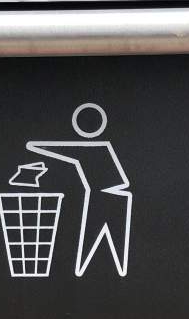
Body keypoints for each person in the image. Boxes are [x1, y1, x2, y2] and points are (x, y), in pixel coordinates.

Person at [26, 104, 133, 278]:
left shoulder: (97, 150)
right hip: (107, 196)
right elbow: (74, 151)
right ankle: (92, 269)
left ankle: (94, 269)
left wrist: (39, 146)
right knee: (99, 250)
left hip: (104, 196)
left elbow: (72, 151)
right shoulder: (100, 150)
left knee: (101, 247)